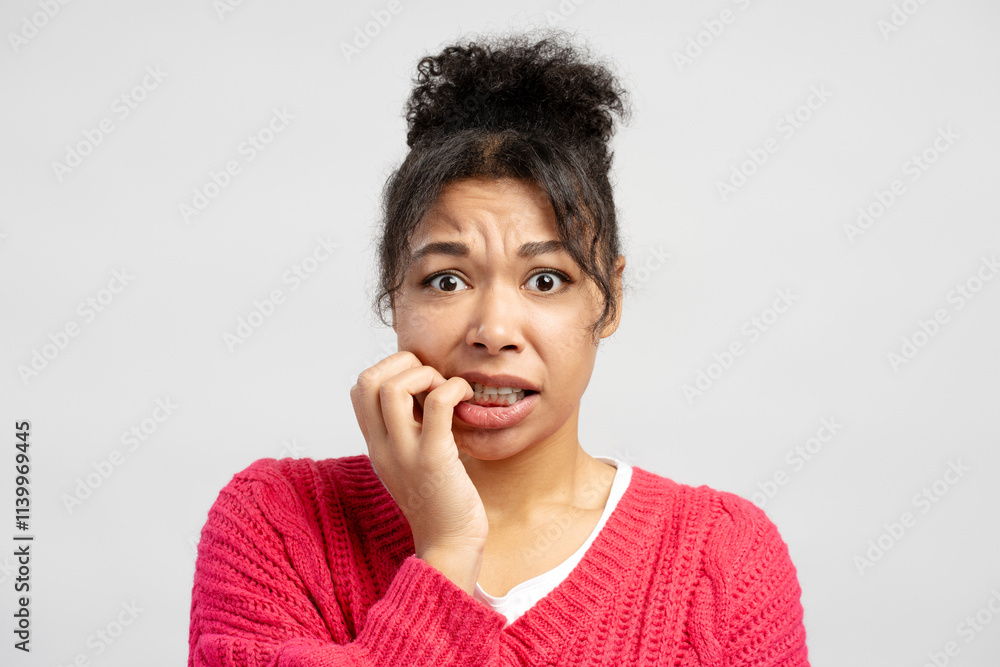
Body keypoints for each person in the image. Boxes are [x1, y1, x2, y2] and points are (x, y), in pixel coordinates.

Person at [188, 28, 810, 666]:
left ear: (609, 300)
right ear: (392, 297)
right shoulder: (276, 524)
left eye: (546, 280)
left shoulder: (724, 558)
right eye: (446, 280)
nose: (493, 329)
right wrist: (447, 550)